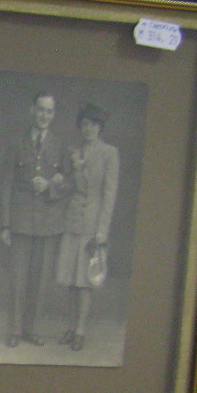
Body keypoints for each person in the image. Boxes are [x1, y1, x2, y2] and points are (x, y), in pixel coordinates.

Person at [0, 91, 73, 347]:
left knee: (38, 280)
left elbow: (70, 182)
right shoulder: (16, 142)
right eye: (41, 109)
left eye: (49, 111)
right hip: (20, 219)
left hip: (47, 222)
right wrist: (6, 223)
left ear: (54, 115)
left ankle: (30, 330)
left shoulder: (61, 144)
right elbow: (6, 183)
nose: (44, 115)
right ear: (32, 110)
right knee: (17, 278)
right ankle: (15, 331)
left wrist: (51, 187)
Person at [55, 103, 119, 352]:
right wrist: (60, 182)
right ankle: (70, 328)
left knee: (84, 281)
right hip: (72, 221)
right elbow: (71, 186)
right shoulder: (75, 151)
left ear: (100, 128)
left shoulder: (109, 153)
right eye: (84, 125)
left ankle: (81, 331)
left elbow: (109, 195)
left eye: (92, 125)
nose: (88, 129)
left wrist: (102, 232)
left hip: (92, 225)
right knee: (70, 280)